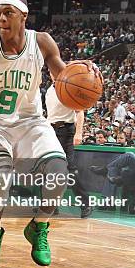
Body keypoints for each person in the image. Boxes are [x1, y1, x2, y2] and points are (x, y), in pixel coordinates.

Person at [0, 0, 96, 268]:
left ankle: (39, 226)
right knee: (0, 180)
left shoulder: (41, 42)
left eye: (9, 13)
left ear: (24, 16)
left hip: (31, 122)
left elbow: (63, 77)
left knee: (59, 173)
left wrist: (84, 72)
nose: (2, 19)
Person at [45, 81, 91, 218]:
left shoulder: (68, 88)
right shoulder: (49, 90)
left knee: (70, 170)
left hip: (67, 130)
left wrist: (79, 132)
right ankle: (53, 205)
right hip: (51, 130)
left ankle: (86, 203)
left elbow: (80, 111)